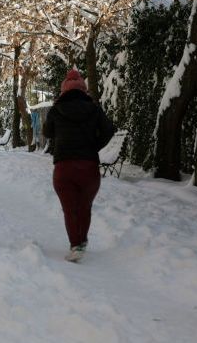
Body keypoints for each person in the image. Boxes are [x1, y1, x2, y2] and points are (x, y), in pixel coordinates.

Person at [43, 69, 115, 262]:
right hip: (89, 167)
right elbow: (109, 129)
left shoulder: (56, 109)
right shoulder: (94, 109)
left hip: (64, 167)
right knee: (84, 207)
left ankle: (76, 245)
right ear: (83, 89)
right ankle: (81, 241)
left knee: (70, 208)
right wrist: (94, 146)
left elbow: (47, 132)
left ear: (64, 90)